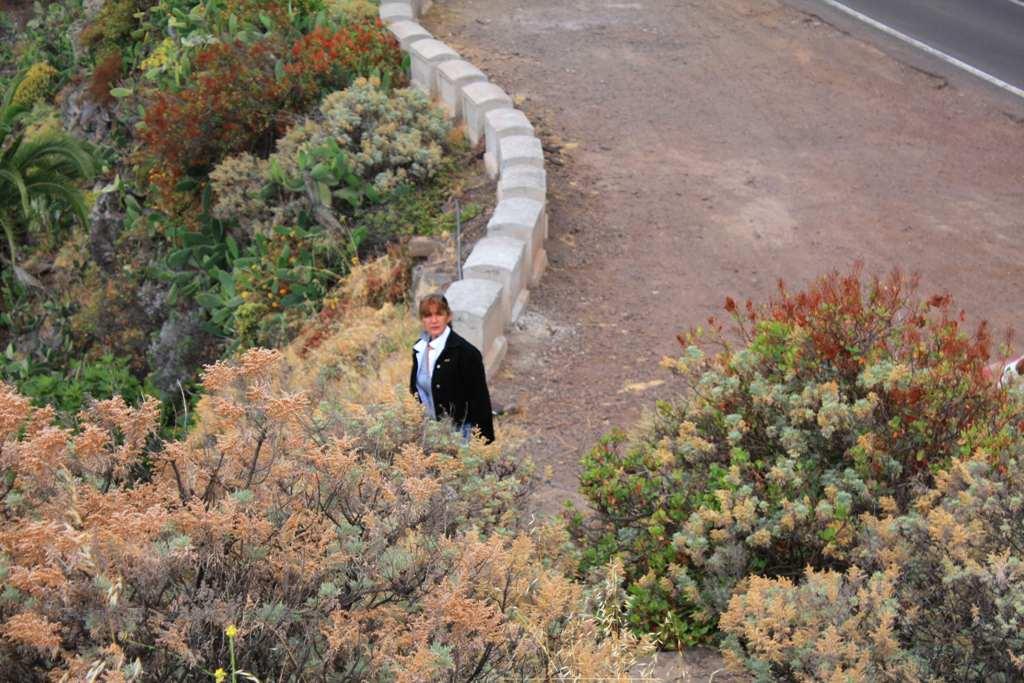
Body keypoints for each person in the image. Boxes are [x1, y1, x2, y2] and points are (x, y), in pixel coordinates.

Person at [409, 293, 495, 443]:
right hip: (429, 433)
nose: (434, 320)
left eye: (439, 314)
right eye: (428, 315)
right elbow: (416, 390)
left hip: (461, 434)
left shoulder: (466, 353)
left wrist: (484, 445)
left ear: (448, 316)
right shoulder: (419, 348)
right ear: (422, 320)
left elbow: (480, 400)